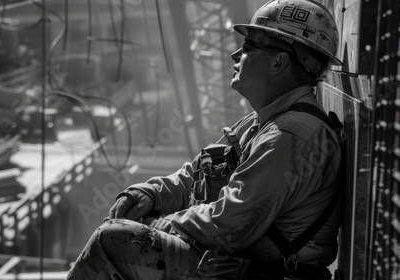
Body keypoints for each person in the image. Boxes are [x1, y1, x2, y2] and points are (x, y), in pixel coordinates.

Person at [66, 0, 344, 279]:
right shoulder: (262, 122)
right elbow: (197, 173)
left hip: (267, 274)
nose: (236, 54)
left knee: (113, 241)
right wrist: (149, 194)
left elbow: (229, 227)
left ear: (278, 61)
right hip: (243, 267)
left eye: (249, 46)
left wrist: (156, 224)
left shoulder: (290, 136)